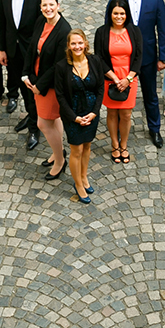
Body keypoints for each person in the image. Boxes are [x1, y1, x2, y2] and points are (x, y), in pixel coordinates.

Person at [104, 0, 165, 148]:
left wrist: (163, 57)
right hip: (122, 59)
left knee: (150, 95)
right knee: (119, 93)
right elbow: (109, 29)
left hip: (148, 57)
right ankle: (117, 129)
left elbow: (163, 29)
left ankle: (154, 129)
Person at [0, 0, 45, 149]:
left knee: (32, 90)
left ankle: (35, 128)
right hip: (12, 49)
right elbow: (1, 22)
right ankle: (31, 117)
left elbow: (42, 27)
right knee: (20, 86)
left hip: (31, 52)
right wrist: (2, 49)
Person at [54, 29, 105, 204]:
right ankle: (78, 184)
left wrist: (95, 112)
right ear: (68, 46)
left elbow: (100, 88)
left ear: (85, 43)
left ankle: (84, 176)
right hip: (73, 115)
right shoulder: (61, 67)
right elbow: (60, 96)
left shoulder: (95, 61)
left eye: (80, 42)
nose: (77, 46)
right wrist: (74, 117)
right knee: (76, 150)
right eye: (73, 43)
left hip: (91, 113)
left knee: (87, 146)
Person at [25, 0, 71, 178]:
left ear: (58, 5)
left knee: (43, 123)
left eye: (51, 5)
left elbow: (57, 66)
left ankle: (60, 161)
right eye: (44, 5)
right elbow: (31, 47)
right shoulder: (41, 21)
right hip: (37, 77)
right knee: (54, 119)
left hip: (51, 83)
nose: (48, 9)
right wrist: (25, 73)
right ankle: (58, 151)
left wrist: (39, 86)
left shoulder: (64, 30)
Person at [94, 0, 142, 164]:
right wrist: (115, 79)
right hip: (110, 78)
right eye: (115, 13)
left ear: (126, 14)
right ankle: (114, 144)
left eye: (122, 13)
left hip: (129, 78)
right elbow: (99, 58)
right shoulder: (101, 32)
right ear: (110, 14)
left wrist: (128, 79)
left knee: (127, 114)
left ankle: (124, 145)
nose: (119, 16)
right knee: (112, 112)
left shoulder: (134, 31)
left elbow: (138, 57)